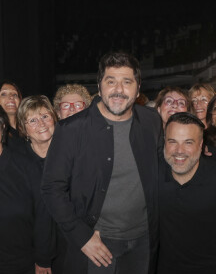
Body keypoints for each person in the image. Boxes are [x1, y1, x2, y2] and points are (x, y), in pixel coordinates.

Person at [41, 52, 163, 274]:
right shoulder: (71, 130)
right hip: (97, 244)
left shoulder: (151, 121)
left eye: (127, 82)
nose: (119, 89)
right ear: (99, 86)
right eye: (111, 81)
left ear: (138, 88)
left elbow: (162, 169)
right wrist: (81, 236)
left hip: (144, 241)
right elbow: (51, 189)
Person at [157, 112, 216, 274]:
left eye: (188, 142)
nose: (179, 151)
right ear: (164, 143)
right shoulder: (153, 175)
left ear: (201, 145)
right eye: (172, 141)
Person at [0, 105, 54, 274]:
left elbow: (43, 216)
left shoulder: (27, 167)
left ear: (2, 127)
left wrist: (43, 260)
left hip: (20, 263)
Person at [17, 95, 65, 273]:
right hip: (33, 251)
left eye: (45, 116)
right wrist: (41, 257)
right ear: (23, 128)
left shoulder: (70, 154)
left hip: (71, 246)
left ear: (54, 117)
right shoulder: (18, 162)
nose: (42, 124)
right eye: (33, 120)